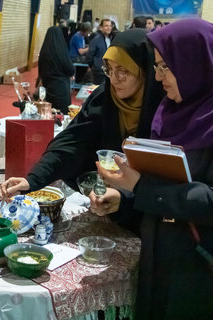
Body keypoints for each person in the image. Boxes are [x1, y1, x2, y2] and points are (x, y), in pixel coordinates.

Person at [91, 18, 213, 320]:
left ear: (195, 62)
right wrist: (124, 200)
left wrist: (140, 187)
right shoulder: (170, 112)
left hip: (196, 268)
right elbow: (165, 182)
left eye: (165, 67)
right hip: (157, 256)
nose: (158, 78)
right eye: (156, 66)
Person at [1, 29, 165, 213]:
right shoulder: (105, 96)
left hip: (152, 210)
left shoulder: (164, 106)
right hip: (107, 201)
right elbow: (71, 142)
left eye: (124, 71)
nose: (115, 79)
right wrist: (32, 179)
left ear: (143, 70)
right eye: (110, 69)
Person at [38, 26, 75, 113]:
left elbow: (41, 72)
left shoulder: (44, 53)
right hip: (61, 89)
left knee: (50, 115)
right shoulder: (61, 52)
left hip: (48, 89)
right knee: (62, 116)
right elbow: (70, 69)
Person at [86, 19, 113, 84]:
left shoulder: (111, 39)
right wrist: (95, 66)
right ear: (101, 27)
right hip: (99, 72)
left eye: (110, 26)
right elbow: (89, 56)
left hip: (109, 70)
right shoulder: (96, 40)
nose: (108, 28)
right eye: (106, 26)